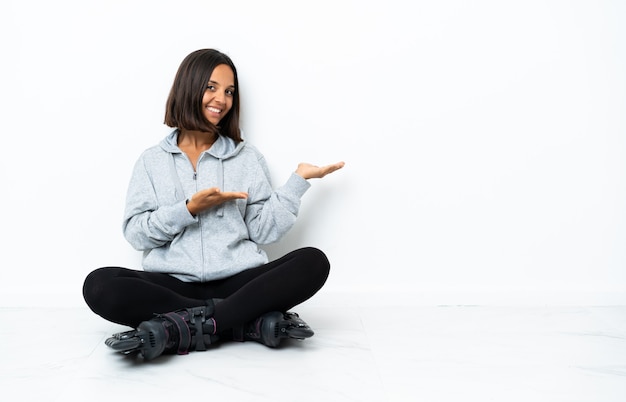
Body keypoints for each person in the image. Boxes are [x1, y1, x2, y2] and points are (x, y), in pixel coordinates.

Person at [82, 48, 345, 361]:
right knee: (99, 285)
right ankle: (243, 322)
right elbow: (136, 234)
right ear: (188, 87)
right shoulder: (151, 161)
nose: (222, 99)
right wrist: (188, 210)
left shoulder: (247, 158)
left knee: (313, 261)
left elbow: (262, 231)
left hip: (238, 282)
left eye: (229, 91)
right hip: (172, 286)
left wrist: (297, 183)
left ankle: (183, 326)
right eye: (211, 87)